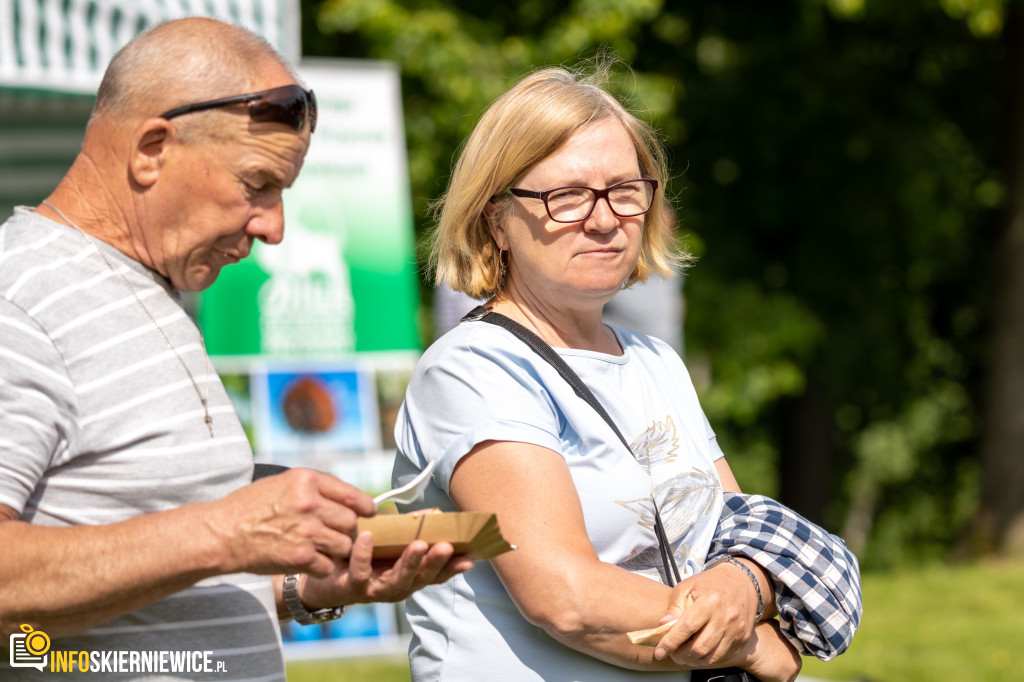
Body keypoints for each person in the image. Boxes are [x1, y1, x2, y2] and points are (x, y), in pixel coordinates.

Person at [0, 18, 472, 679]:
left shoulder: (148, 288)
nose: (274, 227)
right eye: (257, 184)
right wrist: (228, 531)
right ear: (152, 149)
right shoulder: (19, 297)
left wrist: (304, 585)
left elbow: (150, 586)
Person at [392, 64, 804, 681]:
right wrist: (746, 642)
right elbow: (567, 599)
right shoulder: (472, 371)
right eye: (567, 195)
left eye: (625, 189)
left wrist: (742, 586)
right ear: (495, 220)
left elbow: (745, 536)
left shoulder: (654, 361)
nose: (605, 219)